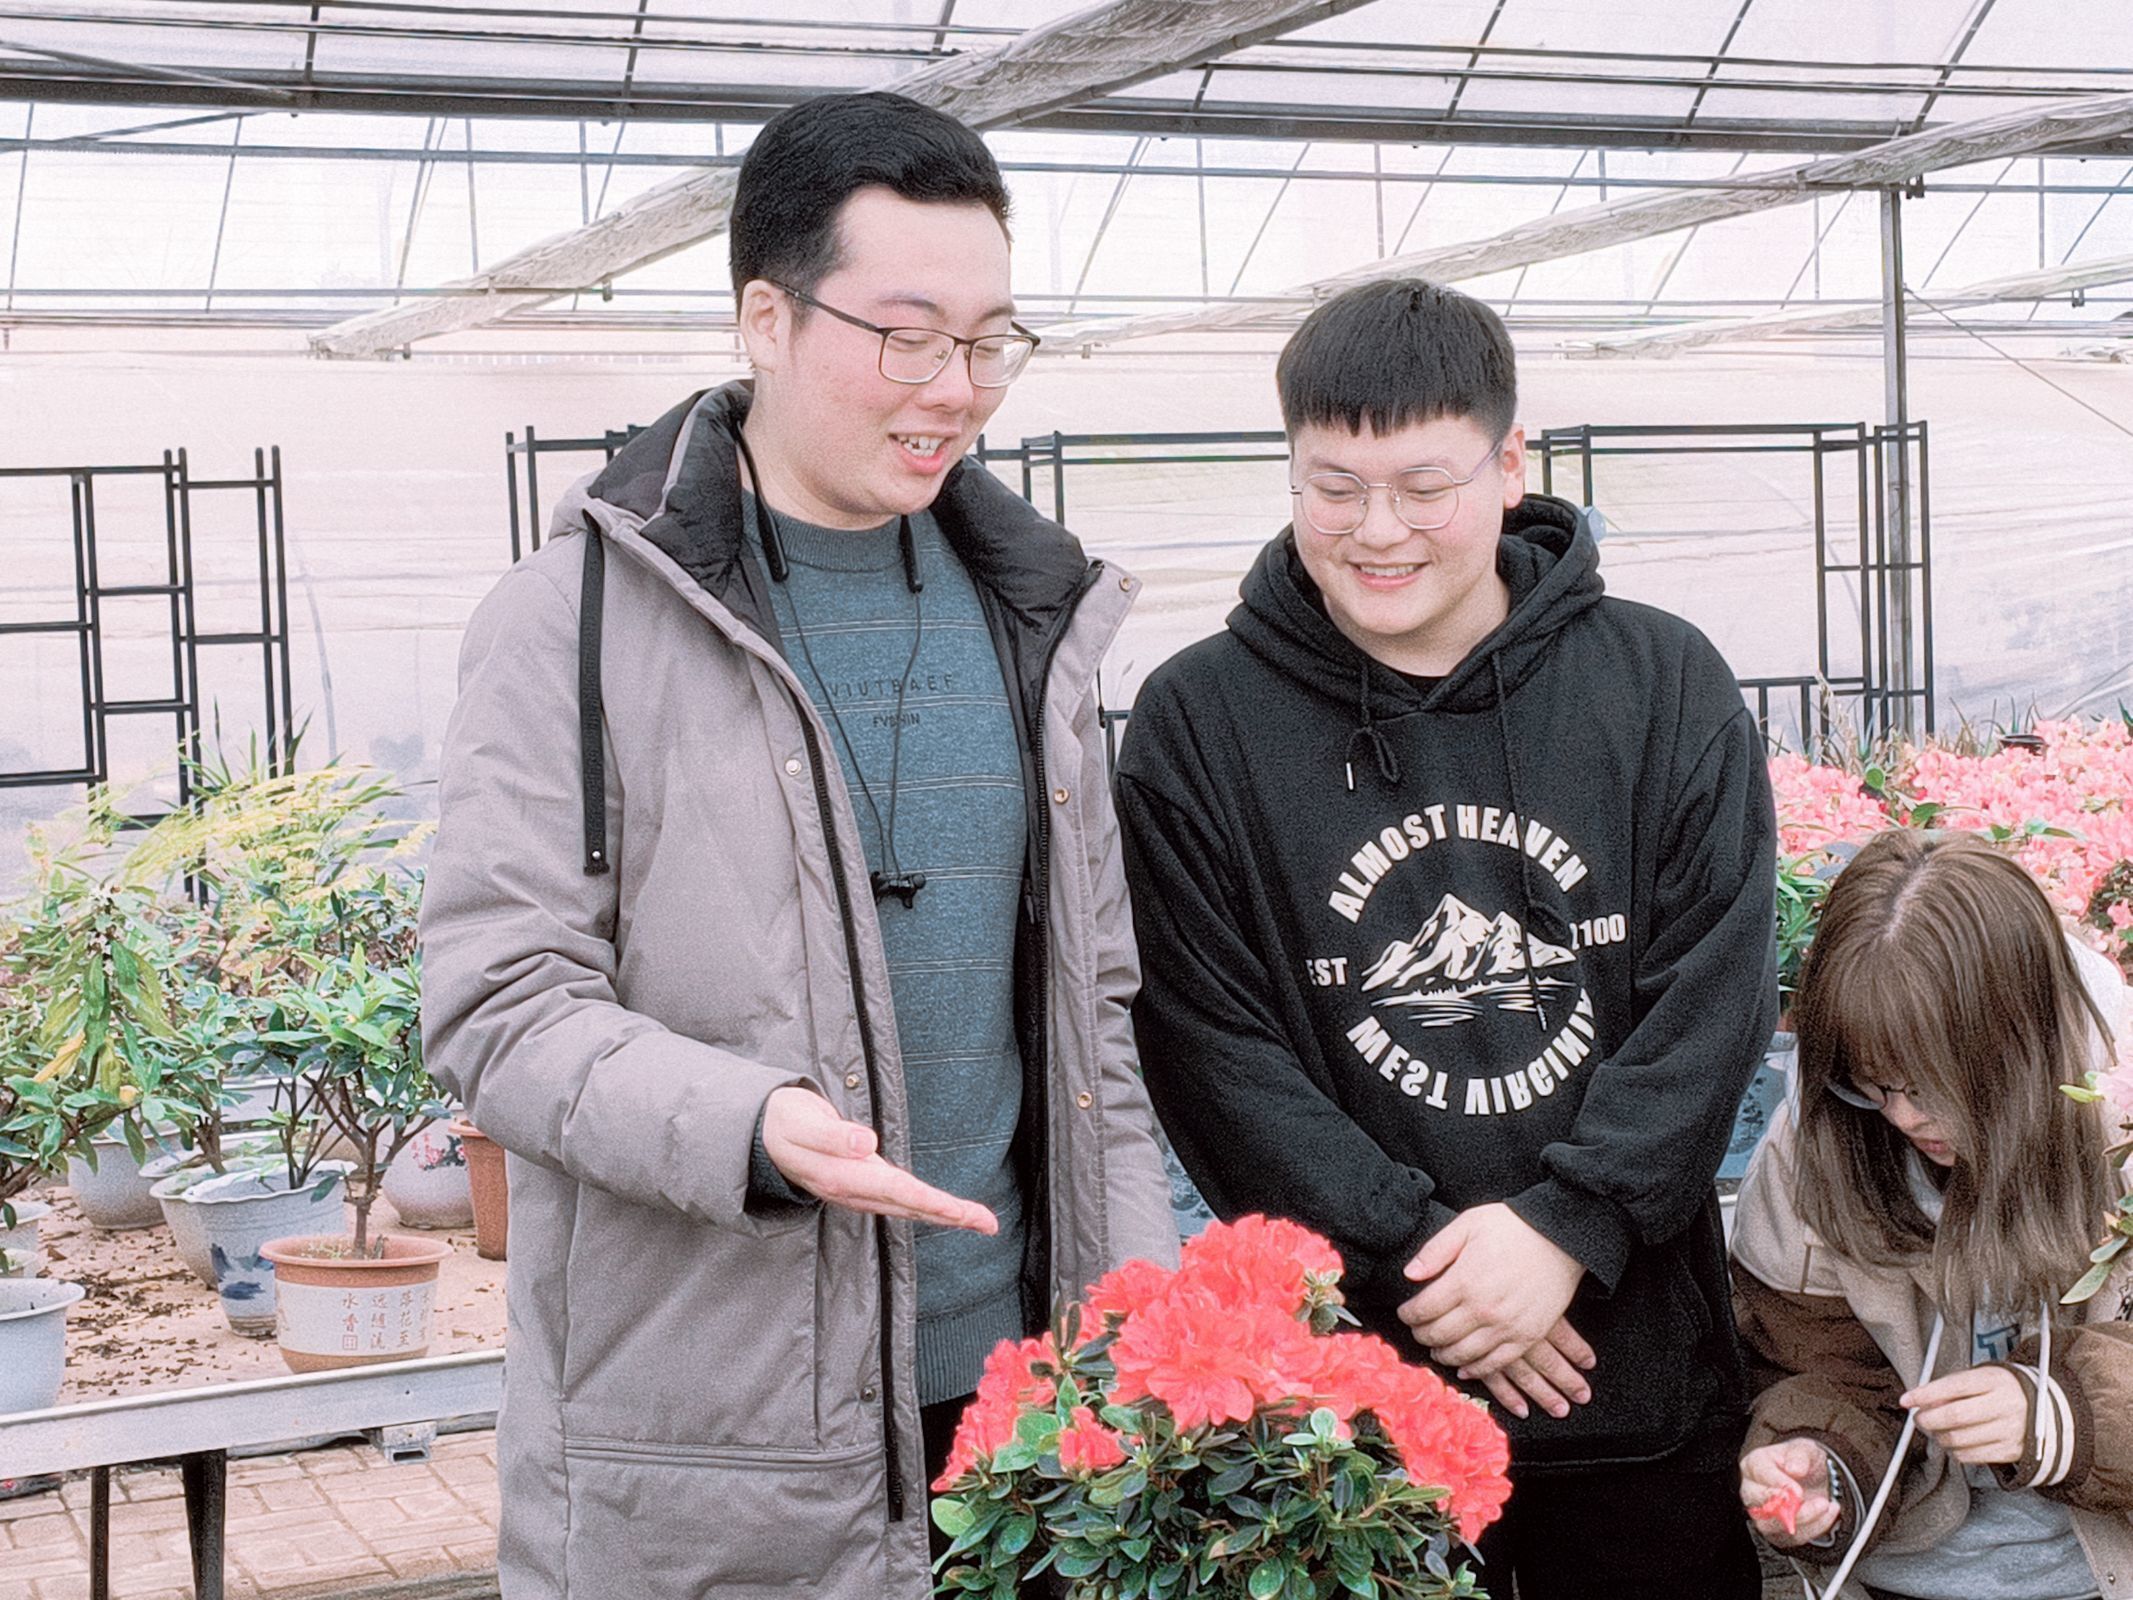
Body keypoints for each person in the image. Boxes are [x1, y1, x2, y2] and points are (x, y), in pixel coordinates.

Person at [419, 90, 1177, 1600]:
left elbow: (1093, 1011)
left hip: (1032, 1431)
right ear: (764, 317)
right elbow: (497, 1003)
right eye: (906, 337)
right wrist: (746, 1123)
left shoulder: (1035, 620)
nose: (955, 390)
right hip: (726, 1456)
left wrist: (1138, 1307)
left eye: (990, 341)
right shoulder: (573, 621)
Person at [1113, 277, 1778, 1598]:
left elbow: (1714, 997)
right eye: (1333, 487)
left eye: (1425, 488)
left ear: (1509, 462)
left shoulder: (1660, 682)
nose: (1378, 531)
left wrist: (1567, 1225)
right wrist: (1434, 1265)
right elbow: (1212, 1045)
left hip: (1634, 1388)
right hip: (1350, 1419)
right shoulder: (1199, 722)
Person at [1732, 828, 2133, 1600]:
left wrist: (2062, 1417)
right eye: (1874, 1082)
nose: (1903, 1116)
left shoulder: (2122, 1113)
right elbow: (1811, 1363)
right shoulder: (1813, 1142)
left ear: (2022, 1045)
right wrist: (1817, 1459)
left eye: (1932, 1084)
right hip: (1901, 1574)